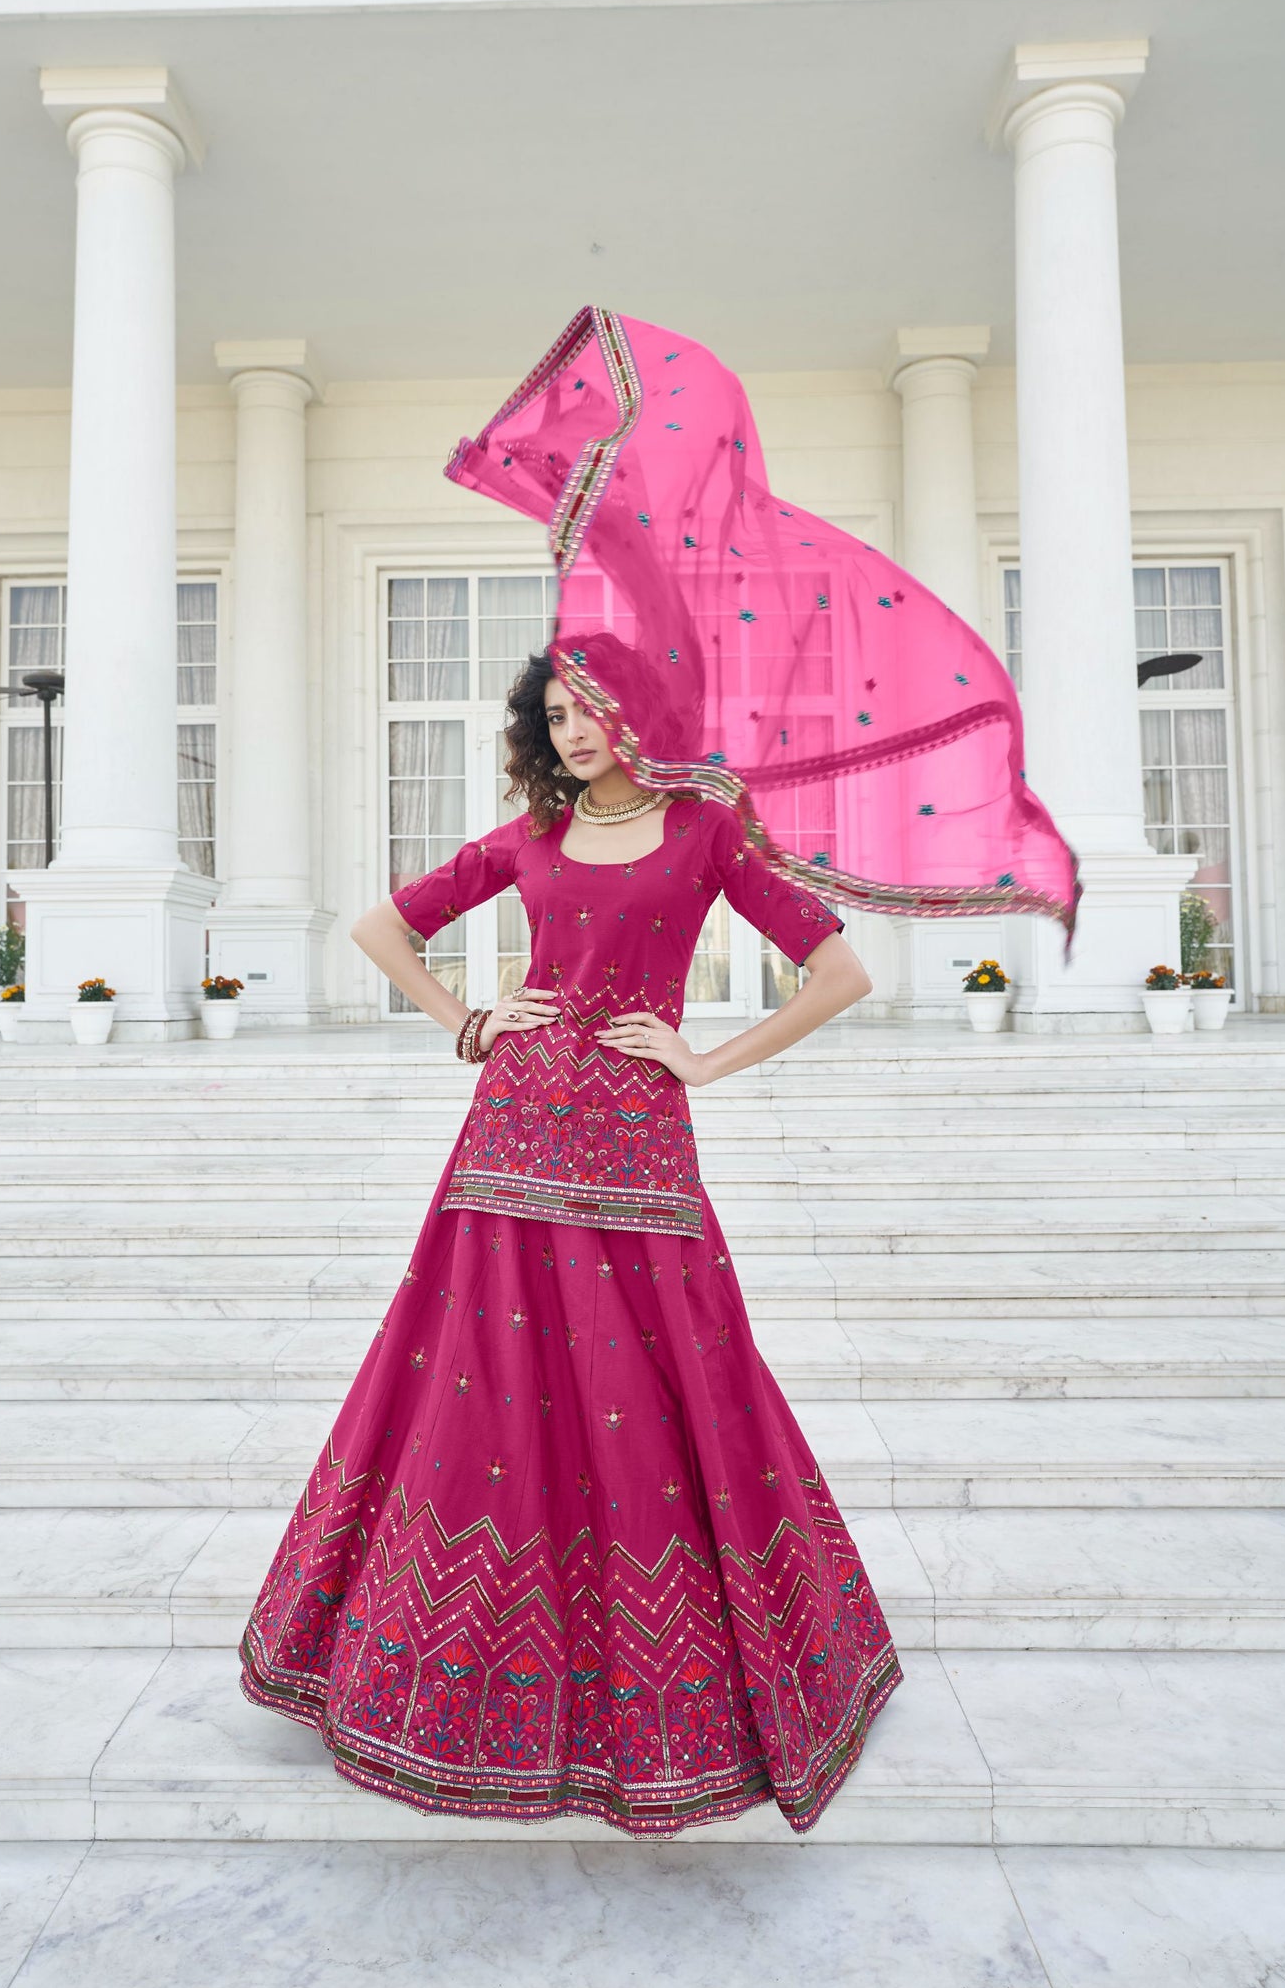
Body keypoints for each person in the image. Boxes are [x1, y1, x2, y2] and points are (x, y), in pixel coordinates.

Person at [238, 639, 904, 1837]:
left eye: (592, 709)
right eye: (555, 715)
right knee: (484, 1388)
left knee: (669, 1373)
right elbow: (378, 928)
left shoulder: (707, 829)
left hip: (638, 1140)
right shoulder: (526, 842)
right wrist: (469, 1020)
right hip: (510, 1137)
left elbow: (838, 972)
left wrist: (701, 1058)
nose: (576, 731)